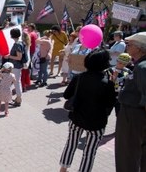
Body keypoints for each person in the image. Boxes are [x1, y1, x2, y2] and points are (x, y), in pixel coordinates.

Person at [59, 48, 115, 172]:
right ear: (104, 64)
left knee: (70, 145)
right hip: (97, 122)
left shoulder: (79, 78)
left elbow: (66, 95)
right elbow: (111, 103)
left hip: (77, 118)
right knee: (89, 152)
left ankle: (63, 169)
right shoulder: (108, 83)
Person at [115, 32, 146, 172]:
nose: (127, 47)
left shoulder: (142, 67)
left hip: (134, 116)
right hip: (134, 114)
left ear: (140, 48)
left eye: (130, 44)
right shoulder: (138, 64)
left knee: (126, 154)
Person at [5, 28, 24, 106]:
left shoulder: (17, 44)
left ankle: (19, 99)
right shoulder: (20, 42)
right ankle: (18, 98)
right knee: (17, 82)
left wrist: (9, 56)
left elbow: (19, 57)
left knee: (16, 82)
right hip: (17, 66)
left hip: (16, 66)